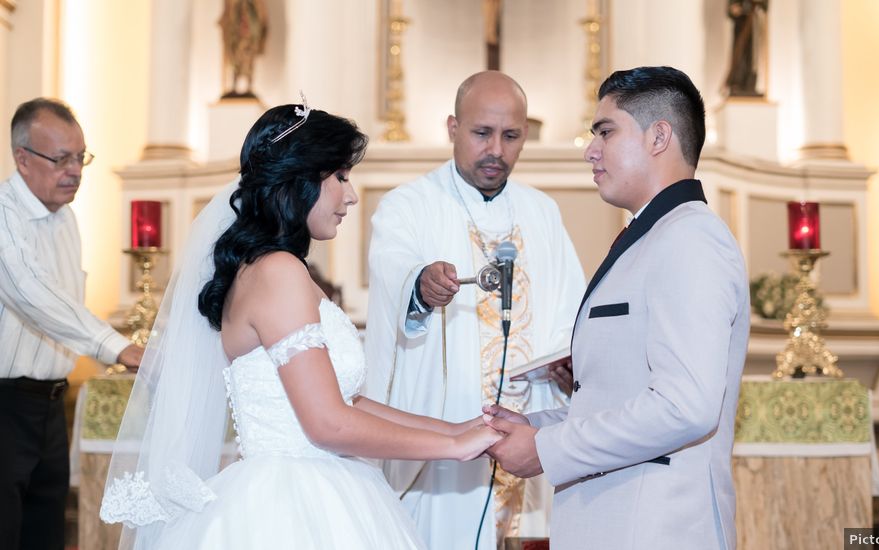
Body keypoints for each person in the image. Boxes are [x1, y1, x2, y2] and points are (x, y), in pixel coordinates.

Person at [99, 101, 501, 550]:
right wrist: (452, 449)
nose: (350, 196)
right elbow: (327, 423)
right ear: (301, 180)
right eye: (341, 177)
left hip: (313, 481)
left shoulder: (273, 270)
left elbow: (348, 400)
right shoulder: (278, 272)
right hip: (291, 503)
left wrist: (453, 429)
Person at [484, 66, 751, 550]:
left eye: (606, 132)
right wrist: (538, 426)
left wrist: (546, 449)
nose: (590, 149)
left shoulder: (691, 239)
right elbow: (620, 396)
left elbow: (685, 406)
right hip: (619, 518)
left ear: (659, 137)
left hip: (657, 526)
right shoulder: (651, 236)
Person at [364, 71, 586, 549]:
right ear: (452, 128)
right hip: (442, 450)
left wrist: (574, 364)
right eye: (481, 133)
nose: (496, 151)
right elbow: (393, 274)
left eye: (510, 136)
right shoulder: (409, 206)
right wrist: (420, 288)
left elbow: (572, 312)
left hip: (530, 434)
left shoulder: (542, 212)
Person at [0, 98, 143, 550]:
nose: (75, 170)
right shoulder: (4, 216)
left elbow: (63, 303)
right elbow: (34, 296)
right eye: (60, 158)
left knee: (45, 532)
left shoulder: (67, 219)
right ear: (23, 159)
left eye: (80, 157)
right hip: (4, 406)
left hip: (49, 404)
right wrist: (117, 347)